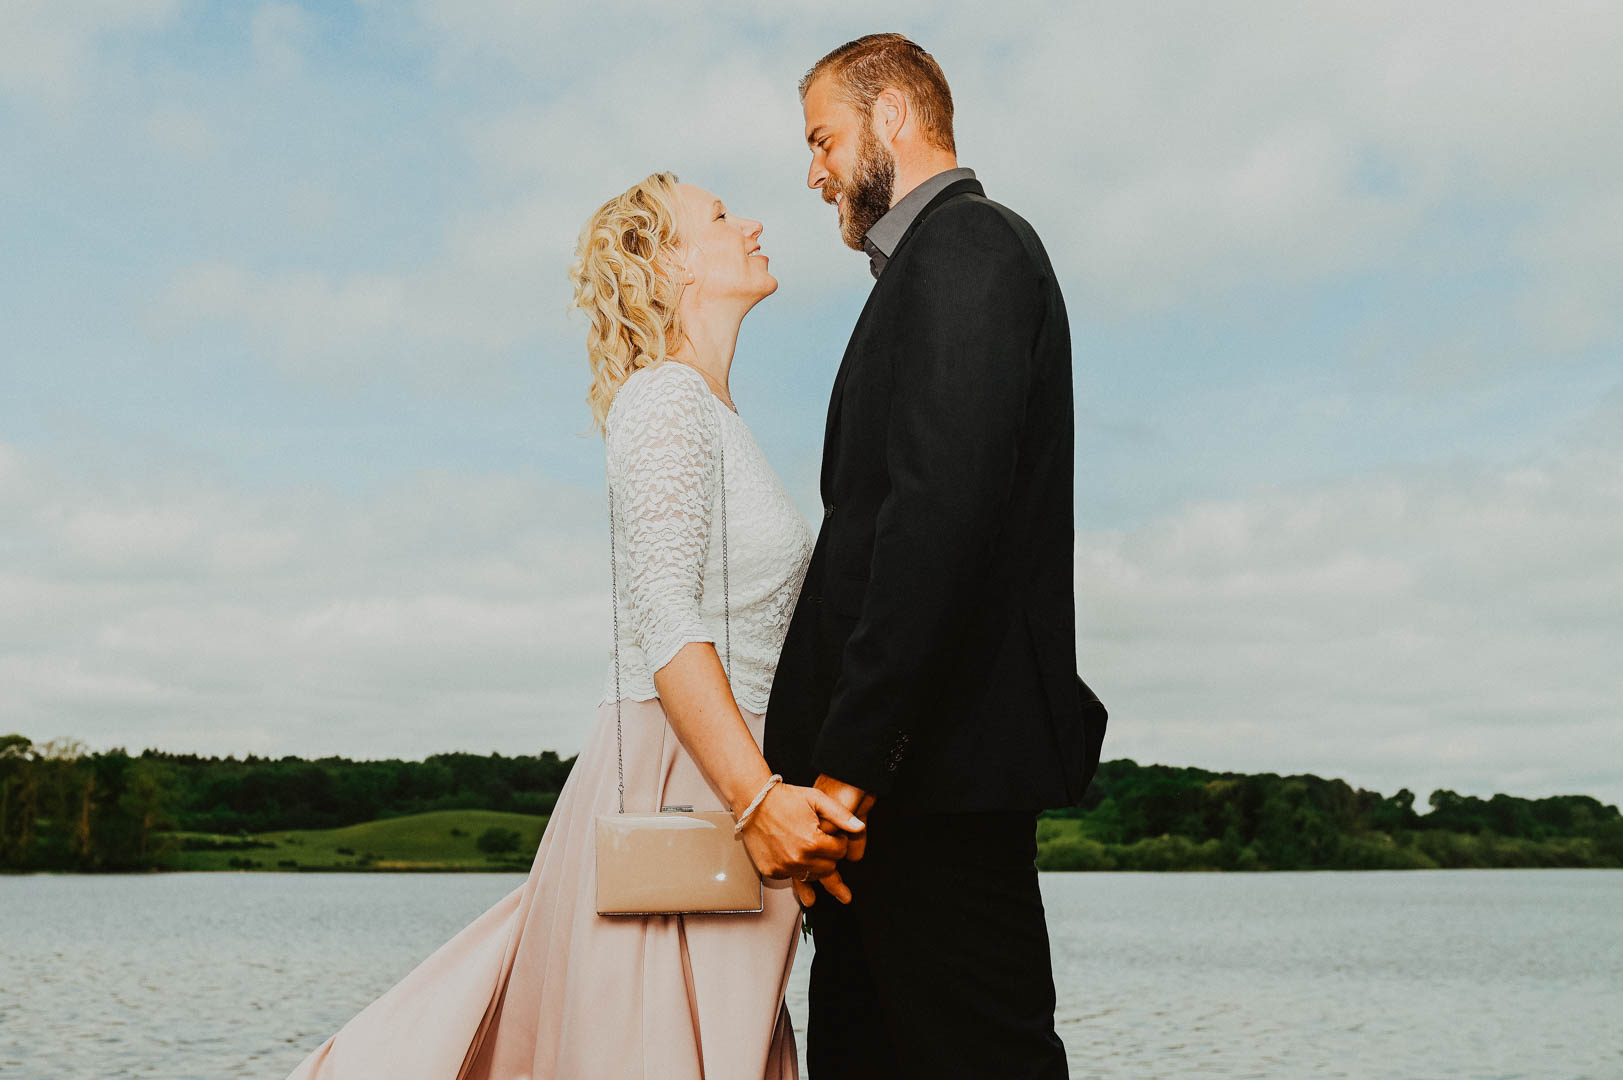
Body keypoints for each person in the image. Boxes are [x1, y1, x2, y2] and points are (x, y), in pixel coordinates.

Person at [284, 172, 863, 1080]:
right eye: (719, 215)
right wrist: (755, 799)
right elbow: (665, 616)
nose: (752, 221)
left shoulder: (711, 413)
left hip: (728, 781)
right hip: (692, 782)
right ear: (664, 262)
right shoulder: (664, 401)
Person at [762, 33, 1110, 1079]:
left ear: (895, 119)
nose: (813, 168)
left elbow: (937, 519)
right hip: (897, 798)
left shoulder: (971, 249)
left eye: (823, 136)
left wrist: (850, 776)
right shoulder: (926, 269)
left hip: (924, 791)